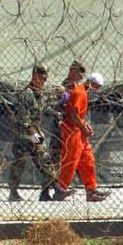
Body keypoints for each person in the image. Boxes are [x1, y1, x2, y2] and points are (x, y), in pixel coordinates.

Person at [52, 71, 110, 202]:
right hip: (72, 131)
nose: (96, 90)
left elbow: (79, 115)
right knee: (71, 160)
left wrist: (85, 126)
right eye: (96, 87)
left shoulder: (82, 91)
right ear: (91, 83)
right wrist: (83, 127)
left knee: (88, 160)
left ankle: (91, 190)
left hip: (79, 131)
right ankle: (61, 189)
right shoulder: (80, 92)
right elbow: (73, 113)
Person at [8, 63, 61, 202]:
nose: (44, 80)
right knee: (19, 165)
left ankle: (54, 189)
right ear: (35, 75)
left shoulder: (40, 94)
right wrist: (34, 134)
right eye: (42, 77)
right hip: (23, 136)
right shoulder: (26, 94)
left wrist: (56, 113)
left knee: (45, 161)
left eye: (45, 78)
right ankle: (13, 192)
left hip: (35, 135)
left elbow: (43, 109)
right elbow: (23, 119)